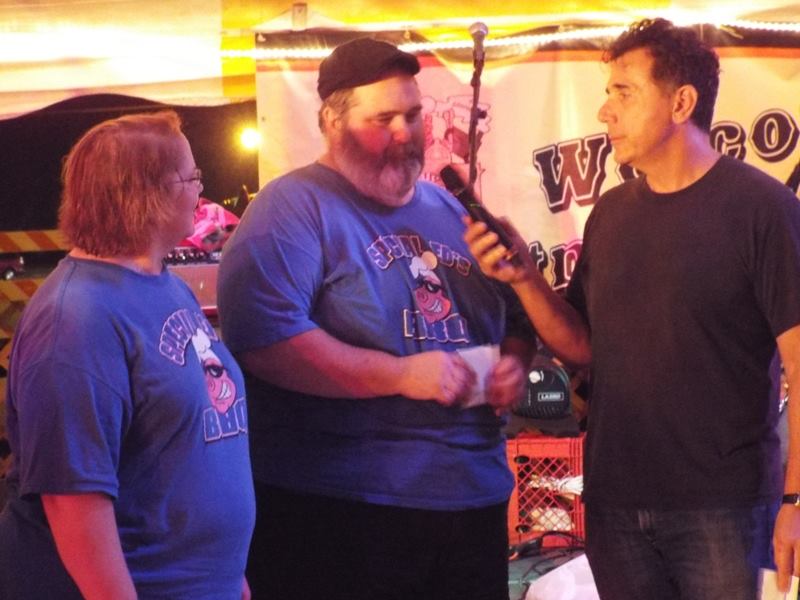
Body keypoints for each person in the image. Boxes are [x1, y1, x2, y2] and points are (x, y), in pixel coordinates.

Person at [465, 17, 800, 599]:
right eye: (607, 93)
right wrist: (523, 277)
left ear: (681, 103)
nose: (605, 112)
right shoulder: (611, 213)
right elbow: (582, 346)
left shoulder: (762, 210)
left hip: (722, 507)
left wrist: (795, 499)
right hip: (615, 501)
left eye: (624, 92)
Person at [217, 37, 536, 600]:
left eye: (412, 115)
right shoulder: (293, 207)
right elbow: (266, 341)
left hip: (473, 499)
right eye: (382, 119)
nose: (404, 133)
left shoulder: (450, 207)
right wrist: (402, 375)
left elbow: (513, 315)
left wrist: (512, 364)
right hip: (341, 506)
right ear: (332, 123)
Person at [0, 111, 255, 599]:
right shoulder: (76, 320)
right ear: (145, 195)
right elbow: (73, 501)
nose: (201, 191)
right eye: (191, 178)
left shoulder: (161, 283)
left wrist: (226, 570)